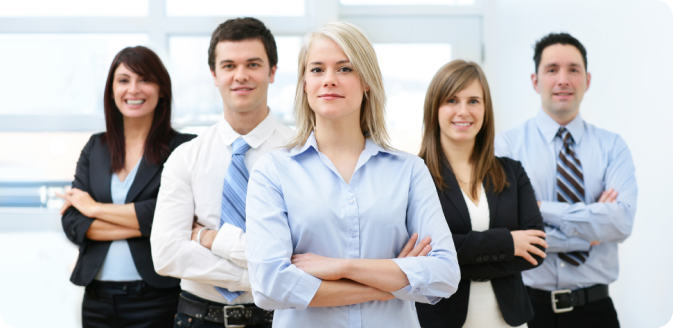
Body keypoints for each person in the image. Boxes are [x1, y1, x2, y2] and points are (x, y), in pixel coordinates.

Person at [244, 22, 461, 328]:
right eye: (317, 70)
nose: (329, 80)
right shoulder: (273, 171)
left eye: (345, 69)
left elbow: (445, 275)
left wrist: (338, 267)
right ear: (304, 83)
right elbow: (270, 286)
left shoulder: (409, 171)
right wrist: (391, 284)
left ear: (367, 81)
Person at [149, 17, 293, 328]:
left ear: (272, 72)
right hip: (198, 318)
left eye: (253, 64)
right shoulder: (186, 157)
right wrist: (258, 275)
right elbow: (166, 254)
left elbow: (300, 251)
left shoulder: (300, 154)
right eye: (229, 66)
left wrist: (206, 237)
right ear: (214, 75)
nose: (240, 76)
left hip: (279, 318)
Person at [495, 32, 637, 328]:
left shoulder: (613, 147)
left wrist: (537, 208)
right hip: (528, 311)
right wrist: (589, 232)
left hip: (597, 310)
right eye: (552, 70)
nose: (563, 79)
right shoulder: (506, 148)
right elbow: (507, 231)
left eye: (573, 69)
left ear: (587, 79)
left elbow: (621, 222)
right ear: (535, 81)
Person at [58, 45, 196, 327]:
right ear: (112, 91)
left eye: (144, 79)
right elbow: (73, 222)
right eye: (123, 80)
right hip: (97, 299)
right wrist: (150, 227)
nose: (133, 89)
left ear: (162, 90)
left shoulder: (183, 148)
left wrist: (94, 208)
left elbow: (174, 216)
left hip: (158, 297)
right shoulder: (96, 147)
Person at [414, 60, 547, 328]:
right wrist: (508, 243)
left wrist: (455, 257)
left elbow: (536, 249)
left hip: (509, 321)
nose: (463, 111)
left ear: (485, 109)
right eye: (452, 100)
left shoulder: (511, 171)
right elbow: (424, 259)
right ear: (434, 108)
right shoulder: (415, 175)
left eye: (473, 101)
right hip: (442, 321)